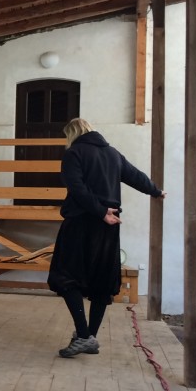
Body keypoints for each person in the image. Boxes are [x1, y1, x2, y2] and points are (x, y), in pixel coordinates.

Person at [49, 118, 164, 358]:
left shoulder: (74, 154)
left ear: (72, 134)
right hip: (109, 225)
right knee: (102, 280)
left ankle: (83, 336)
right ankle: (89, 337)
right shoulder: (113, 154)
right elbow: (135, 176)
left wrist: (100, 211)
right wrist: (155, 190)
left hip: (81, 222)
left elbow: (77, 188)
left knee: (65, 276)